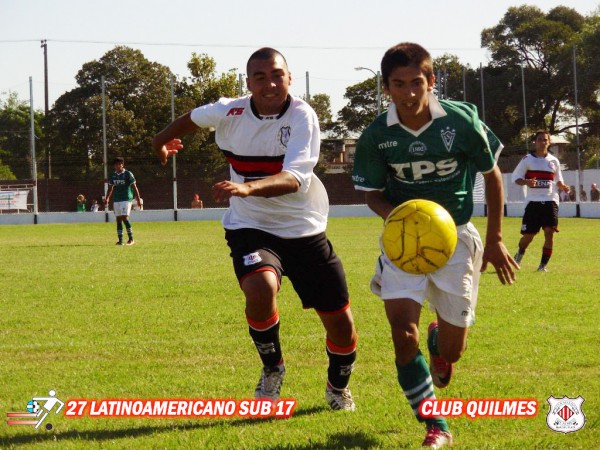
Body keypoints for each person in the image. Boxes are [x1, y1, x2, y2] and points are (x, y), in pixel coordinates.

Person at [152, 47, 358, 411]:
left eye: (277, 74)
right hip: (251, 225)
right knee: (260, 287)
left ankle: (337, 387)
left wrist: (246, 187)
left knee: (341, 325)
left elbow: (294, 178)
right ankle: (272, 368)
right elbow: (193, 118)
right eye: (259, 77)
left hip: (304, 228)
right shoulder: (230, 110)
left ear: (289, 78)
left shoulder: (302, 117)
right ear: (248, 83)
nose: (269, 83)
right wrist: (161, 140)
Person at [352, 42, 517, 448]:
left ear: (431, 81)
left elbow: (492, 176)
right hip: (403, 241)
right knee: (400, 332)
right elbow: (372, 194)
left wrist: (494, 239)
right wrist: (401, 220)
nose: (408, 93)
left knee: (453, 350)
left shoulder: (460, 121)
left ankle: (439, 345)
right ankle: (436, 425)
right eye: (398, 84)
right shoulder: (377, 135)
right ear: (386, 87)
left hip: (457, 239)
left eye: (416, 83)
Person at [512, 130, 570, 272]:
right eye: (540, 139)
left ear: (549, 142)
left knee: (549, 232)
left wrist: (563, 186)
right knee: (528, 236)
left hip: (550, 201)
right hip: (533, 202)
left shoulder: (554, 161)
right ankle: (519, 254)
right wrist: (527, 182)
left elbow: (558, 180)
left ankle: (542, 266)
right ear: (535, 142)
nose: (543, 142)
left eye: (545, 140)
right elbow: (516, 178)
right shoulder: (527, 160)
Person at [105, 157, 142, 245]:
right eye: (116, 164)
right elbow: (110, 188)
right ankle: (120, 241)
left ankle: (131, 239)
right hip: (117, 199)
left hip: (126, 198)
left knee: (124, 217)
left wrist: (138, 199)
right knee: (118, 219)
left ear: (122, 165)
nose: (118, 166)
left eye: (119, 164)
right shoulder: (113, 175)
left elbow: (134, 187)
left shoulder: (128, 174)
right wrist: (107, 198)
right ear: (114, 166)